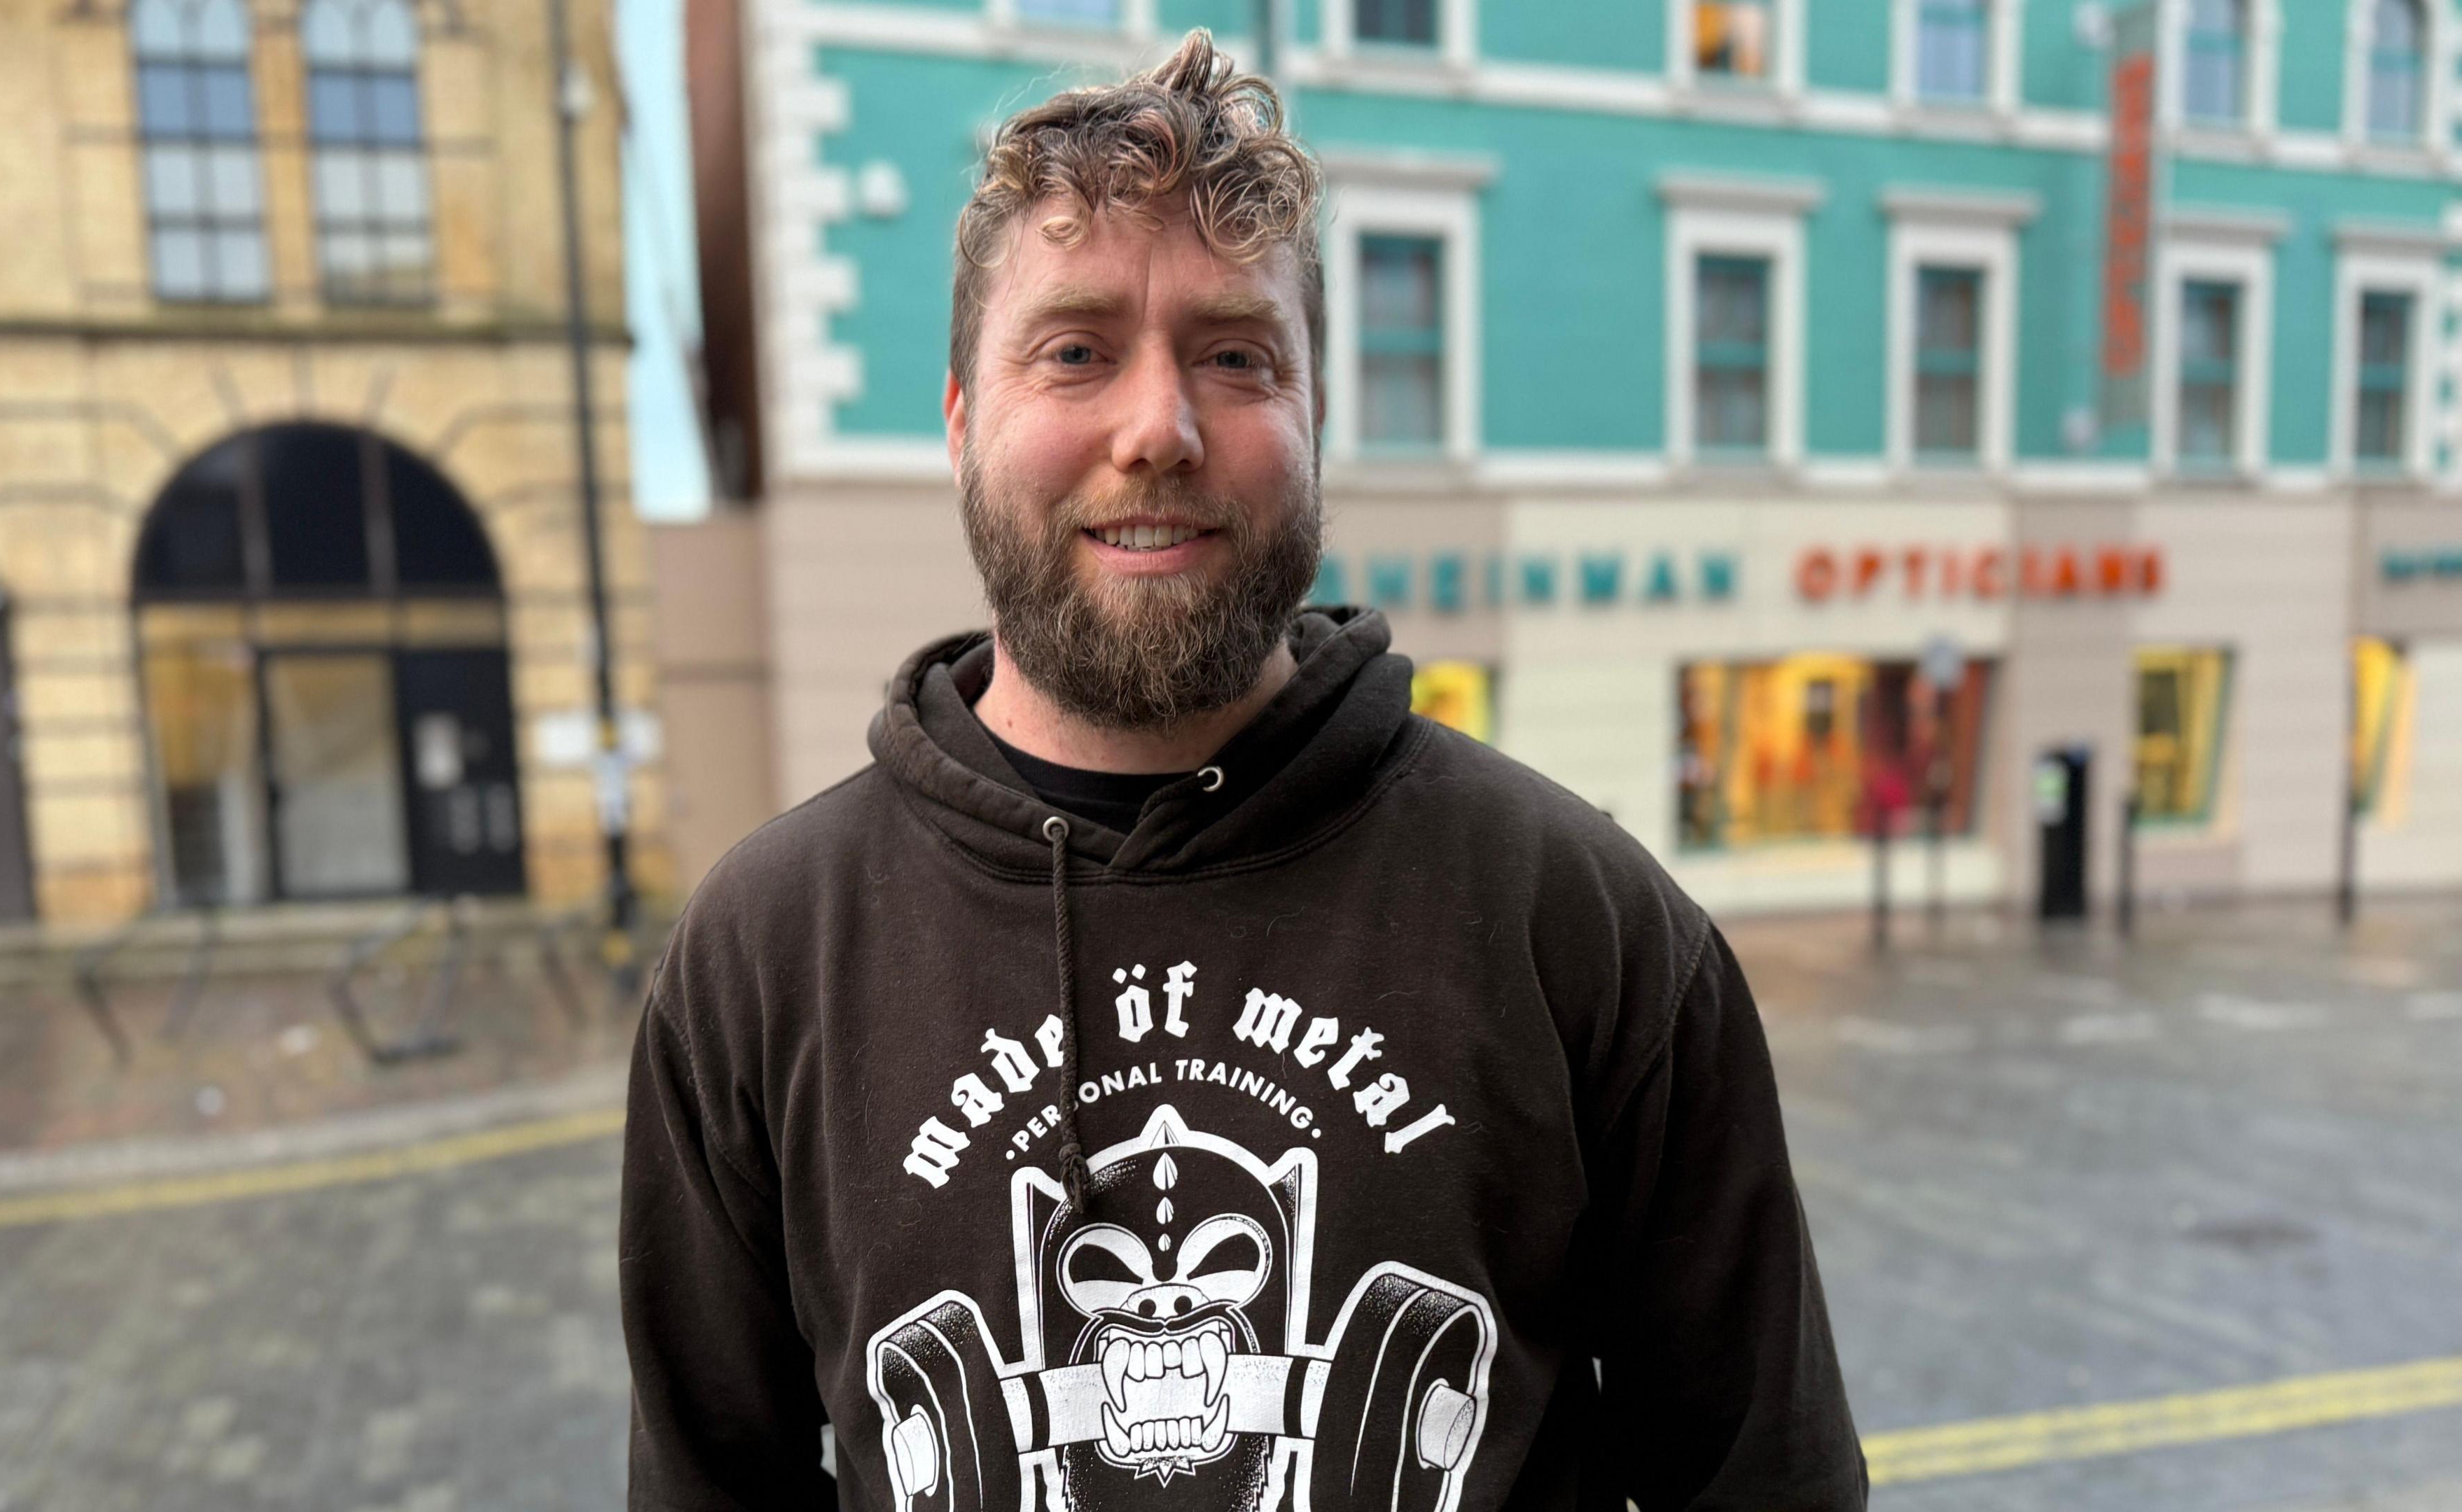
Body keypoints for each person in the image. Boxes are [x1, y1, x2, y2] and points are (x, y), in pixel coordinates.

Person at [620, 31, 1865, 1511]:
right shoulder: (761, 961)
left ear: (1316, 426)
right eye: (1075, 350)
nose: (1161, 428)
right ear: (960, 427)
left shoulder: (1579, 923)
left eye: (1237, 355)